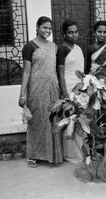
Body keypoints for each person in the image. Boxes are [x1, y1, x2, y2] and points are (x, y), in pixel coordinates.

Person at [18, 16, 63, 167]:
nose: (47, 31)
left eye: (49, 28)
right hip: (36, 90)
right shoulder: (29, 46)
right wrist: (22, 94)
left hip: (52, 88)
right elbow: (26, 72)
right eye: (44, 27)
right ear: (37, 28)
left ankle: (53, 155)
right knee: (36, 122)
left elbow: (55, 69)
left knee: (52, 121)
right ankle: (33, 155)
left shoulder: (54, 46)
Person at [57, 19, 84, 163]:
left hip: (79, 88)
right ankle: (70, 154)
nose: (74, 35)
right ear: (64, 34)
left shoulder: (78, 48)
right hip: (68, 87)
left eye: (76, 32)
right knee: (69, 120)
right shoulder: (62, 49)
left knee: (79, 120)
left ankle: (79, 152)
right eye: (70, 32)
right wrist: (65, 93)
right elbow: (60, 73)